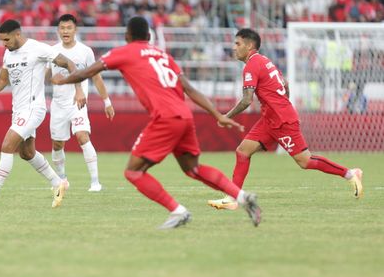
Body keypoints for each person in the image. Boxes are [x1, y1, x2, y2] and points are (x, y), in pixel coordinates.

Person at [52, 16, 262, 229]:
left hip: (165, 118)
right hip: (185, 116)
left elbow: (89, 71)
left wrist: (64, 80)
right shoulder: (163, 56)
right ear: (150, 36)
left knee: (133, 172)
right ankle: (242, 196)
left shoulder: (123, 52)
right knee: (193, 168)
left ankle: (178, 211)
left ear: (127, 36)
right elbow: (189, 89)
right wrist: (217, 114)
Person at [207, 29, 363, 210]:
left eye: (237, 44)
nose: (234, 48)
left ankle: (351, 174)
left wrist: (226, 117)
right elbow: (285, 83)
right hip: (270, 119)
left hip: (282, 121)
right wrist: (280, 102)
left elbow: (247, 100)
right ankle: (233, 198)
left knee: (305, 161)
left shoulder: (251, 65)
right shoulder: (265, 61)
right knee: (242, 151)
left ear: (249, 46)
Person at [0, 20, 85, 208]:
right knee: (26, 153)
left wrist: (78, 89)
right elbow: (1, 80)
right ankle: (58, 183)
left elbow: (69, 63)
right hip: (18, 110)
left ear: (17, 34)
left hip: (34, 108)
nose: (4, 44)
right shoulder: (8, 53)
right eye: (1, 41)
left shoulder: (37, 49)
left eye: (6, 39)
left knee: (7, 145)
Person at [48, 14, 115, 192]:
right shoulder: (52, 51)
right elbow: (47, 76)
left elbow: (96, 77)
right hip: (58, 105)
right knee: (57, 144)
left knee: (82, 137)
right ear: (58, 31)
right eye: (62, 28)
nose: (65, 31)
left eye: (69, 28)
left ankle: (95, 182)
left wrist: (106, 101)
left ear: (75, 30)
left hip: (78, 104)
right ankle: (62, 179)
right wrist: (52, 78)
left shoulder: (85, 51)